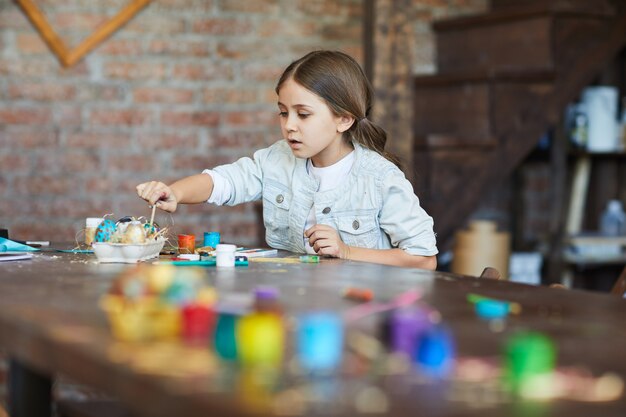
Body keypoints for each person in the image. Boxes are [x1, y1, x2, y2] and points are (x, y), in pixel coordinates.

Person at [137, 50, 437, 269]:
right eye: (283, 112)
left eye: (303, 114)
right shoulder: (276, 159)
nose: (289, 125)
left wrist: (346, 251)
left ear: (344, 119)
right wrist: (176, 192)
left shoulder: (380, 178)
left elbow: (423, 260)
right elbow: (225, 181)